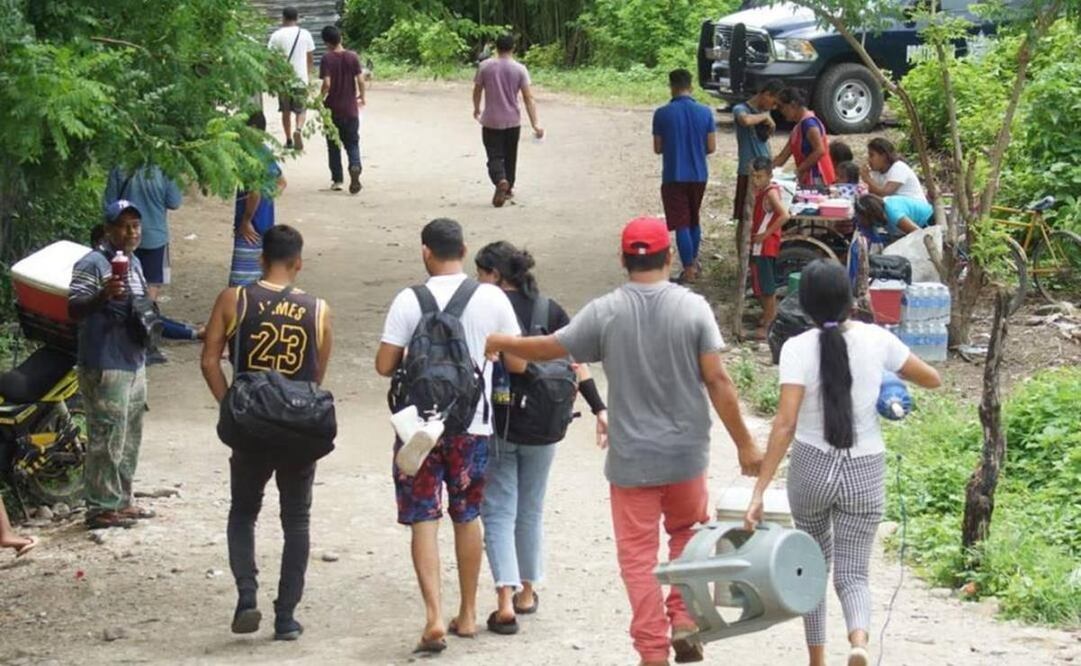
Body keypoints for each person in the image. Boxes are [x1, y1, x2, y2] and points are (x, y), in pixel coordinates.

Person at [485, 217, 763, 666]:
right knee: (686, 536)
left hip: (632, 461)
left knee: (637, 557)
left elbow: (553, 348)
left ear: (622, 260)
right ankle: (684, 617)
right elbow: (718, 379)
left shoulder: (606, 310)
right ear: (668, 256)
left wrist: (503, 341)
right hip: (687, 455)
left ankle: (652, 652)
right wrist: (746, 445)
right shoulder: (693, 309)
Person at [744, 260, 941, 666]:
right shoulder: (877, 339)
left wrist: (760, 489)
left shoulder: (796, 349)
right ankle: (859, 642)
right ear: (851, 300)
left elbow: (784, 424)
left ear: (806, 306)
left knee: (812, 566)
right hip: (864, 470)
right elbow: (932, 378)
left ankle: (817, 660)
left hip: (812, 469)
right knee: (854, 573)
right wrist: (890, 382)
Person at [375, 219, 522, 654]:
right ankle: (470, 613)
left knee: (423, 517)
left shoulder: (409, 299)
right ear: (464, 248)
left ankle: (434, 616)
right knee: (467, 514)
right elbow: (517, 364)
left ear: (426, 252)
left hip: (418, 428)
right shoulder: (491, 296)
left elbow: (385, 365)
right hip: (471, 424)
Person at [200, 225, 333, 642]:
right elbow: (315, 374)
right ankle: (286, 617)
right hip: (297, 427)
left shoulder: (234, 299)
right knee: (296, 519)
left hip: (251, 426)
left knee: (243, 511)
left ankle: (246, 597)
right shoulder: (318, 310)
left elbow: (209, 361)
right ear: (298, 263)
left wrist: (231, 406)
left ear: (261, 260)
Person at [473, 241, 608, 636]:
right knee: (530, 509)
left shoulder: (485, 309)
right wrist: (599, 407)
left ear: (496, 275)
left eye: (481, 273)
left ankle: (503, 603)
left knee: (498, 510)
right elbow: (576, 361)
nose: (478, 281)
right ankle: (527, 592)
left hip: (499, 423)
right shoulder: (549, 309)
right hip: (546, 424)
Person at [68, 200, 154, 530]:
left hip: (134, 359)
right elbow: (73, 309)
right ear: (108, 230)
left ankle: (122, 500)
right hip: (105, 361)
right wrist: (102, 295)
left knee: (129, 433)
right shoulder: (91, 264)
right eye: (124, 226)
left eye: (135, 225)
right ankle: (101, 507)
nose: (131, 232)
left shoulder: (134, 264)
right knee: (106, 434)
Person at [653, 69, 717, 284]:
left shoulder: (662, 113)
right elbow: (711, 147)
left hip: (674, 174)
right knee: (693, 219)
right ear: (691, 86)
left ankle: (688, 269)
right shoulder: (705, 112)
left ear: (671, 86)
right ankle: (694, 261)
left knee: (681, 224)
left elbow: (658, 148)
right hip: (699, 174)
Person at [90, 224, 203, 343]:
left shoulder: (129, 261)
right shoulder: (97, 263)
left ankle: (190, 330)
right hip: (115, 319)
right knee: (142, 315)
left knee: (147, 313)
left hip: (124, 312)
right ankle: (193, 332)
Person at [473, 34, 543, 208]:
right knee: (510, 156)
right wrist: (535, 123)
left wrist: (476, 108)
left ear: (496, 47)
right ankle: (508, 187)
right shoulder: (519, 69)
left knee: (494, 156)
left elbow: (477, 90)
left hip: (490, 120)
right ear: (513, 48)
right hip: (513, 121)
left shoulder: (485, 66)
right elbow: (528, 98)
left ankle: (500, 180)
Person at [102, 166, 182, 301]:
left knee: (119, 279)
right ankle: (144, 316)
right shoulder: (166, 167)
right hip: (155, 238)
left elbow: (109, 204)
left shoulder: (120, 165)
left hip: (123, 238)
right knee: (151, 283)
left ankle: (121, 316)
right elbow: (174, 202)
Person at [230, 113, 286, 287]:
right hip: (265, 223)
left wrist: (246, 220)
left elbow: (254, 191)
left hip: (251, 227)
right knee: (260, 278)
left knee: (242, 282)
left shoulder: (249, 157)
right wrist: (268, 199)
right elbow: (282, 182)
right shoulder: (265, 151)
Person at [319, 25, 365, 194]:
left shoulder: (327, 58)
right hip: (350, 109)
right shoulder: (353, 57)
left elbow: (327, 84)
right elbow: (360, 80)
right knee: (352, 143)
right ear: (341, 38)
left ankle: (337, 180)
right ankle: (355, 165)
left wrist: (319, 98)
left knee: (333, 145)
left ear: (326, 42)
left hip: (332, 109)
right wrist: (362, 96)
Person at [748, 156, 789, 339]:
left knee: (767, 285)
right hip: (759, 245)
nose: (757, 181)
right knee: (760, 281)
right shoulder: (762, 190)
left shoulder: (770, 193)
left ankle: (770, 323)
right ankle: (767, 316)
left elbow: (784, 215)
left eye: (760, 177)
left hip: (765, 245)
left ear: (769, 175)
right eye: (754, 176)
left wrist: (765, 234)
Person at [732, 79, 783, 226]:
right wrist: (765, 117)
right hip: (748, 172)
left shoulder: (764, 113)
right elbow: (745, 120)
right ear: (766, 94)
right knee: (744, 218)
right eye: (773, 102)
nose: (773, 107)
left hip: (765, 171)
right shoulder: (741, 109)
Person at [268, 6, 316, 150]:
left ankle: (289, 140)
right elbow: (310, 58)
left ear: (283, 18)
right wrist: (308, 77)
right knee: (301, 109)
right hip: (301, 79)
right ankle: (299, 129)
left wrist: (273, 76)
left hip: (283, 80)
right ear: (297, 18)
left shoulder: (276, 35)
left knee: (285, 111)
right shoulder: (305, 34)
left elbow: (271, 59)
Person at [774, 88, 835, 188]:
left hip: (818, 177)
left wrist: (798, 170)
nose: (781, 112)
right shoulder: (798, 127)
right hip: (807, 178)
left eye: (782, 107)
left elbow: (820, 150)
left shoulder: (809, 124)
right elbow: (783, 156)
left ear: (793, 105)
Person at [861, 138, 926, 202]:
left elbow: (885, 193)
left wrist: (867, 178)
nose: (868, 159)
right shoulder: (876, 172)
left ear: (884, 156)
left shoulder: (899, 167)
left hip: (914, 208)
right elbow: (873, 193)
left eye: (871, 155)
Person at [855, 193, 933, 240]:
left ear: (870, 215)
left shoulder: (894, 214)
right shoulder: (880, 212)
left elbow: (920, 234)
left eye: (860, 217)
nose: (859, 219)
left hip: (929, 221)